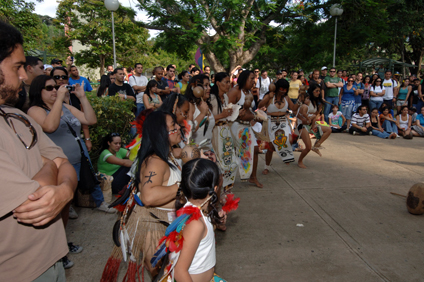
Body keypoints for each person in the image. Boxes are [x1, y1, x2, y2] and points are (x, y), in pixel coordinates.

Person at [0, 21, 78, 281]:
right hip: (18, 272)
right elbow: (32, 200)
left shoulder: (16, 115)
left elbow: (64, 164)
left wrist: (65, 189)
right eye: (17, 66)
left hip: (51, 259)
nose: (24, 75)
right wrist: (51, 165)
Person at [156, 158, 223, 282]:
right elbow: (180, 271)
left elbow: (202, 237)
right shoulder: (195, 224)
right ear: (215, 188)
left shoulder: (194, 210)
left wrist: (217, 221)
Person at [136, 111, 183, 274]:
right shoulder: (156, 161)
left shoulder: (167, 153)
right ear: (161, 133)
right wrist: (183, 186)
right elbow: (148, 196)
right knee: (162, 274)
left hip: (169, 223)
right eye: (173, 126)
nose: (178, 127)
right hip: (156, 227)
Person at [228, 70, 263, 187]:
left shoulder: (248, 91)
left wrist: (254, 116)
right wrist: (238, 114)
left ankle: (253, 177)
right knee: (232, 154)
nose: (254, 81)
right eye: (251, 78)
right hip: (236, 127)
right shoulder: (235, 91)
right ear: (244, 79)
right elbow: (226, 110)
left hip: (246, 127)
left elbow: (249, 111)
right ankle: (227, 181)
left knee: (256, 150)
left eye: (254, 78)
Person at [258, 78, 301, 173]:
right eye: (282, 89)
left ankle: (285, 155)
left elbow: (293, 108)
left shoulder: (286, 98)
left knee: (289, 139)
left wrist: (299, 101)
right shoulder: (270, 96)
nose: (283, 91)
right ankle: (267, 167)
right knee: (271, 146)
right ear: (277, 88)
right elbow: (260, 105)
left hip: (283, 121)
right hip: (271, 122)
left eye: (285, 89)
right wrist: (268, 97)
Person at [210, 72, 237, 193]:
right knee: (219, 161)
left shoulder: (225, 97)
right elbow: (208, 119)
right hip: (215, 132)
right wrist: (222, 115)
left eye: (229, 82)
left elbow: (225, 116)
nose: (229, 85)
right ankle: (219, 190)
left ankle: (227, 188)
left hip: (225, 130)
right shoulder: (211, 98)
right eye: (226, 82)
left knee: (229, 159)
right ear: (218, 83)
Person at [185, 74, 214, 149]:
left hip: (209, 150)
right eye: (206, 85)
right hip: (196, 152)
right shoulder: (190, 105)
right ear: (196, 88)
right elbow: (189, 130)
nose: (209, 88)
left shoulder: (206, 104)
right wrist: (202, 114)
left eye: (209, 85)